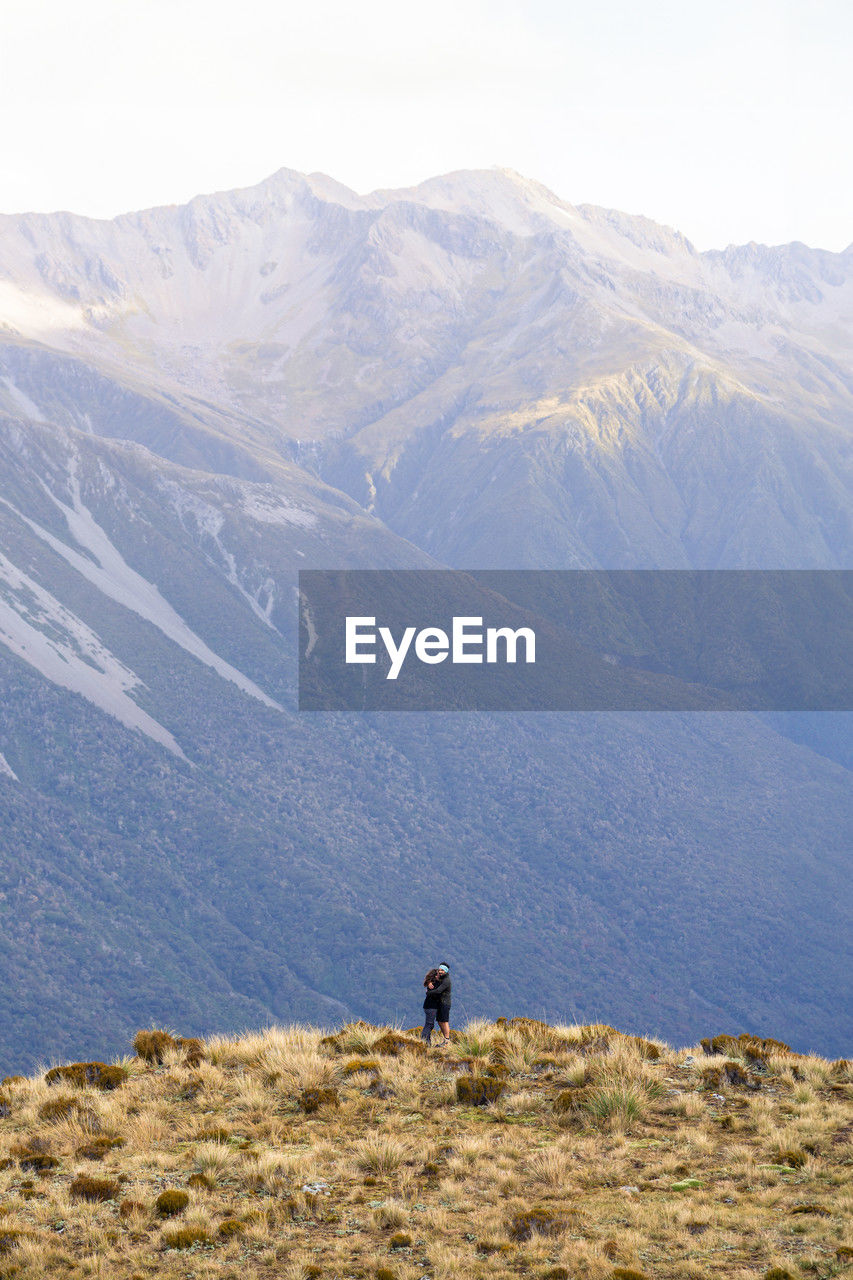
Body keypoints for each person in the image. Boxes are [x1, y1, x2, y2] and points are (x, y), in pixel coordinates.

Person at [421, 962, 452, 1047]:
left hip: (444, 1004)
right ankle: (426, 1042)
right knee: (437, 1022)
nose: (439, 972)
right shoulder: (436, 981)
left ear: (446, 971)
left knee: (443, 1021)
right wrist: (428, 983)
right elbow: (429, 979)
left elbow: (438, 991)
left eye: (442, 970)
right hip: (435, 1005)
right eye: (439, 970)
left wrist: (428, 992)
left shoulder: (445, 980)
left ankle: (446, 1041)